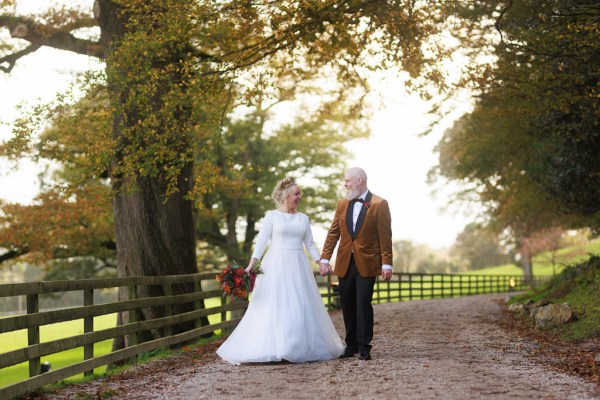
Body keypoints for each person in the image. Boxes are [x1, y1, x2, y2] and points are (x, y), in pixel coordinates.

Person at [216, 177, 344, 365]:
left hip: (298, 265)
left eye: (299, 193)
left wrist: (321, 261)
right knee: (275, 304)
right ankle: (274, 347)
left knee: (299, 303)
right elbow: (261, 243)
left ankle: (296, 347)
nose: (299, 197)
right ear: (285, 195)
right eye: (296, 193)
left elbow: (309, 243)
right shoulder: (272, 216)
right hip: (275, 264)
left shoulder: (303, 218)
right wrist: (250, 266)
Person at [320, 167, 393, 361]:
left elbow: (385, 237)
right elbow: (333, 233)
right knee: (348, 304)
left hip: (367, 263)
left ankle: (364, 346)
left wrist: (387, 263)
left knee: (363, 304)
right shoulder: (342, 204)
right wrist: (325, 257)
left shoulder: (379, 204)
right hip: (345, 263)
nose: (345, 184)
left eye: (347, 180)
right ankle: (350, 345)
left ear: (359, 181)